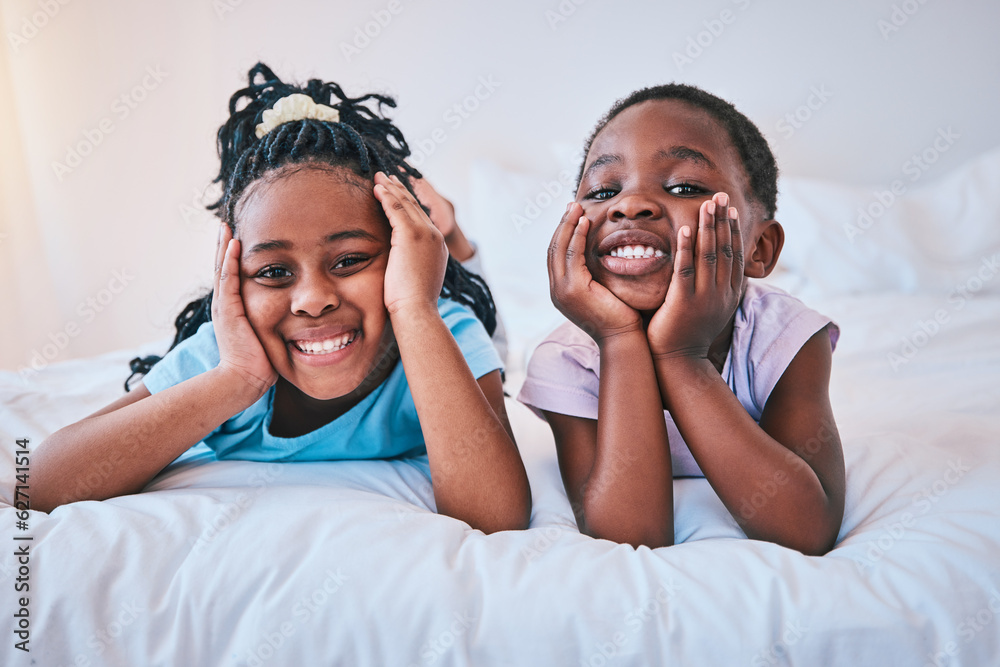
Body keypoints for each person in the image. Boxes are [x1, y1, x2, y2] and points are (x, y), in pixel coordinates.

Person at [32, 63, 531, 534]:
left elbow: (495, 516)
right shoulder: (224, 354)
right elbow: (44, 484)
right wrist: (237, 380)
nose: (312, 300)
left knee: (481, 309)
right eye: (273, 271)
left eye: (349, 259)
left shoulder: (445, 324)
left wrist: (417, 308)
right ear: (233, 276)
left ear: (398, 257)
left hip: (429, 305)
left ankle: (451, 235)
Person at [517, 84, 845, 555]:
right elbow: (631, 537)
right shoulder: (568, 362)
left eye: (685, 186)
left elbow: (807, 530)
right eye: (604, 190)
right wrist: (618, 339)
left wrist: (682, 356)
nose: (630, 205)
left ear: (759, 248)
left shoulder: (784, 338)